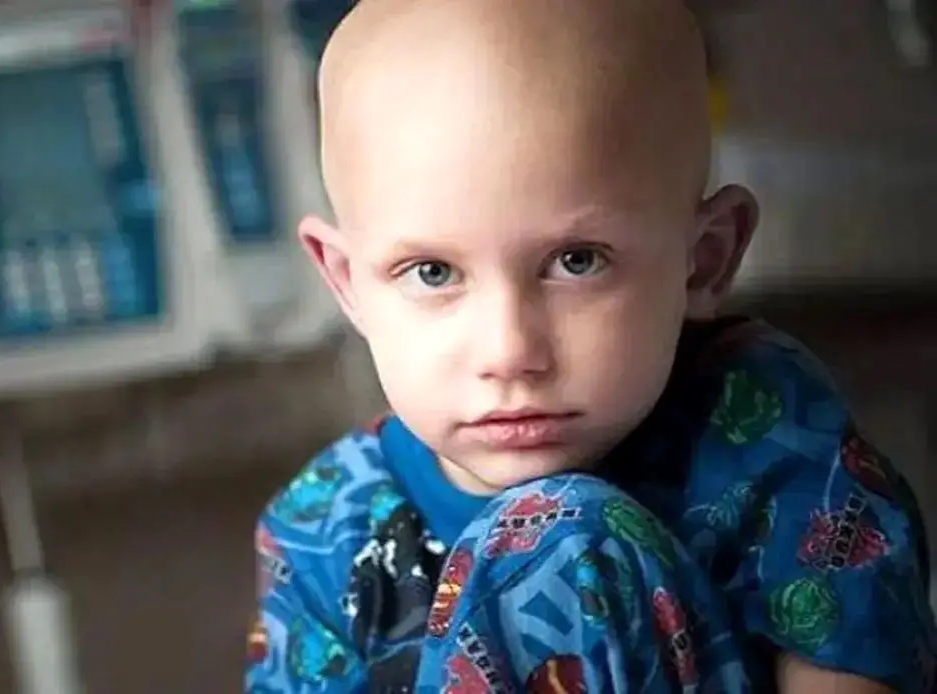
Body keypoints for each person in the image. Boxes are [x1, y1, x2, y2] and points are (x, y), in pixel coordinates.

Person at [245, 0, 937, 691]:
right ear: (349, 284)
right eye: (432, 273)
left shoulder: (763, 425)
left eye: (577, 262)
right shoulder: (321, 531)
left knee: (555, 538)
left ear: (702, 261)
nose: (509, 351)